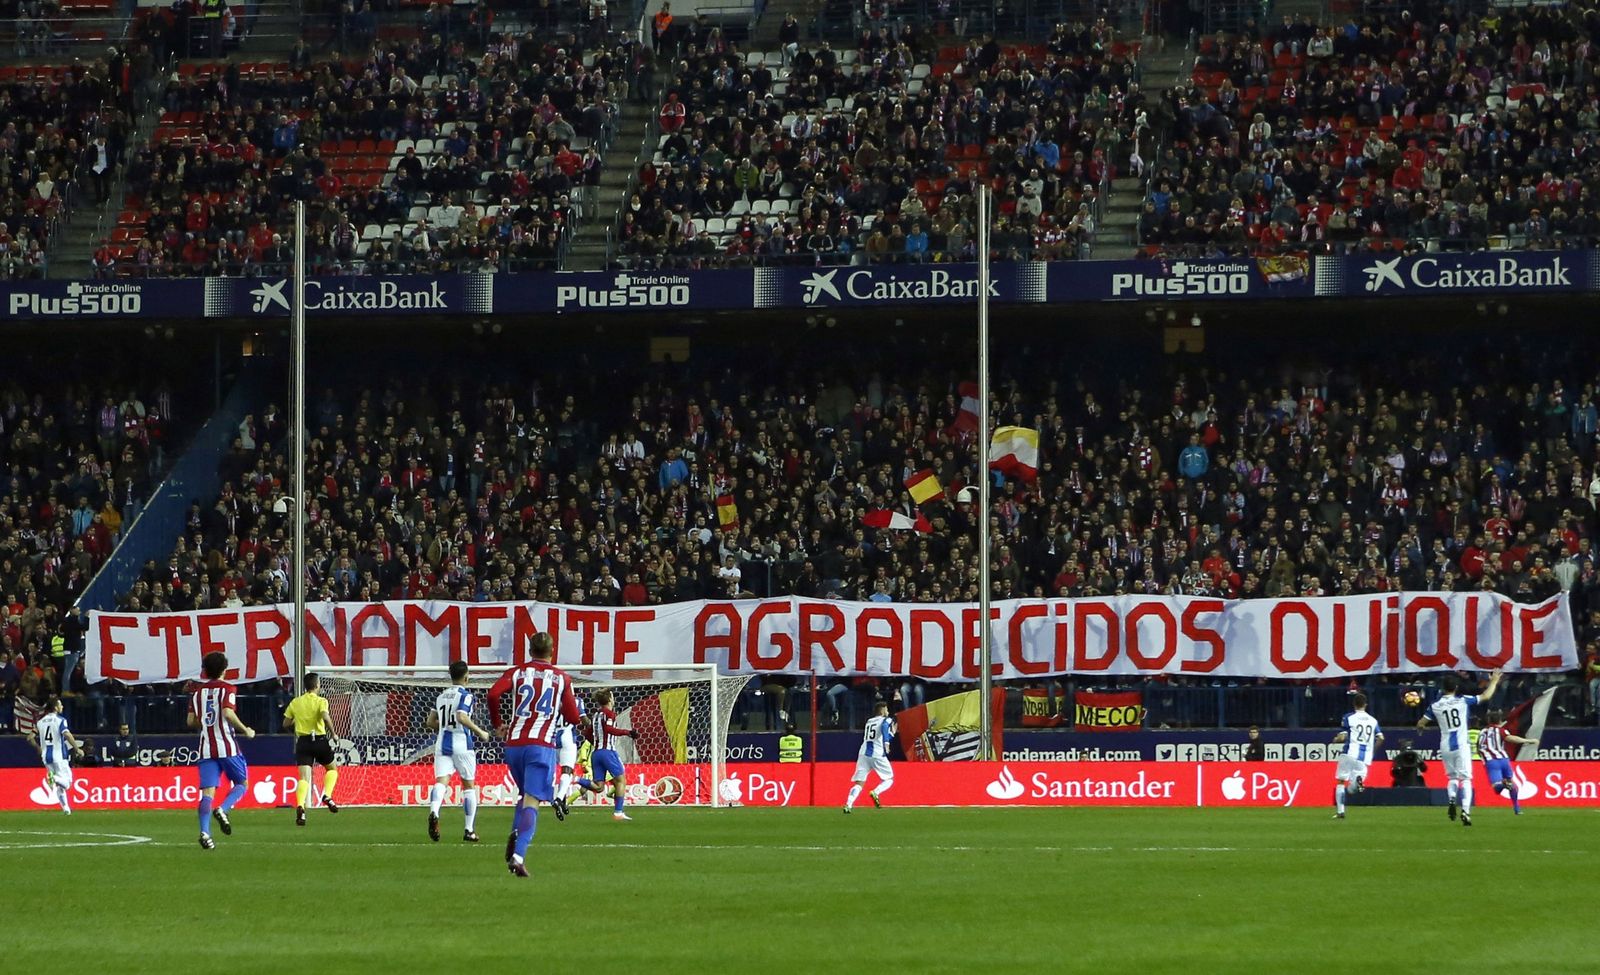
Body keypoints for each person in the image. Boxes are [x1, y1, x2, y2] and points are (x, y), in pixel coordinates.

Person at [487, 632, 582, 877]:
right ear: (553, 651)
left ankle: (515, 832)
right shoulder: (561, 678)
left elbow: (493, 694)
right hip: (541, 746)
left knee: (525, 795)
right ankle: (518, 856)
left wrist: (498, 723)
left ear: (530, 650)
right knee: (533, 801)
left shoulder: (517, 672)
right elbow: (572, 717)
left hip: (514, 745)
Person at [1417, 669, 1502, 826]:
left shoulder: (1435, 705)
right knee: (1467, 779)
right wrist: (1495, 680)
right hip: (1462, 745)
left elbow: (1421, 723)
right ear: (1456, 687)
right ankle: (1466, 811)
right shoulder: (1463, 700)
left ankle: (1451, 799)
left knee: (1452, 777)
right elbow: (1486, 696)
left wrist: (1422, 729)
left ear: (1442, 689)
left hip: (1446, 745)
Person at [189, 651, 255, 850]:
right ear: (224, 669)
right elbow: (227, 712)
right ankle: (223, 809)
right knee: (242, 783)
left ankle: (205, 833)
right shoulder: (228, 688)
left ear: (205, 670)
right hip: (227, 746)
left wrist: (207, 722)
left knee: (207, 793)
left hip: (206, 748)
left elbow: (190, 721)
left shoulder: (197, 693)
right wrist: (246, 730)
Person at [424, 660, 493, 842]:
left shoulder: (441, 696)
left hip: (442, 743)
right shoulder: (467, 696)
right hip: (462, 744)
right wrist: (481, 732)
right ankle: (469, 830)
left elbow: (430, 722)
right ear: (466, 676)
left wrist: (445, 724)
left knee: (441, 781)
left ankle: (434, 811)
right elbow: (461, 716)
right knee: (468, 786)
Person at [282, 673, 341, 827]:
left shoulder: (296, 702)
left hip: (303, 742)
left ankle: (301, 807)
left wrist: (299, 719)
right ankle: (327, 795)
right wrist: (333, 733)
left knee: (304, 778)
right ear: (317, 685)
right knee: (332, 769)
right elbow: (325, 716)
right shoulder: (321, 701)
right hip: (320, 740)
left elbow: (286, 723)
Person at [575, 688, 637, 821]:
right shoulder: (609, 714)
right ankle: (618, 812)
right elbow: (609, 729)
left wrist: (597, 742)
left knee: (599, 787)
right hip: (608, 752)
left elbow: (587, 733)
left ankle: (575, 779)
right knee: (621, 781)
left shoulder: (596, 715)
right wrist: (628, 733)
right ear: (610, 699)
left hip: (596, 753)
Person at [1330, 692, 1383, 819]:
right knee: (1352, 789)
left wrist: (1336, 740)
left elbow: (1343, 736)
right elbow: (1381, 738)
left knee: (1341, 782)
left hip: (1349, 752)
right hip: (1364, 757)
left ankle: (1340, 811)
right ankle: (1357, 781)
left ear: (1354, 704)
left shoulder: (1348, 717)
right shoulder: (1373, 721)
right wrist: (1372, 752)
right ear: (1366, 704)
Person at [1479, 708, 1539, 815]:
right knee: (1512, 785)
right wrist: (1528, 741)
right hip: (1504, 760)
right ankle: (1517, 809)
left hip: (1491, 761)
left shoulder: (1482, 732)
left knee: (1497, 788)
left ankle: (1504, 784)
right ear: (1500, 721)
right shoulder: (1502, 731)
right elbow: (1511, 738)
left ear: (1488, 721)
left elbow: (1478, 748)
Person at [33, 695, 82, 814]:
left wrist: (38, 748)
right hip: (59, 756)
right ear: (55, 707)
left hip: (46, 757)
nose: (62, 706)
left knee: (60, 785)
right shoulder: (60, 720)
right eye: (60, 704)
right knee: (68, 783)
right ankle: (53, 778)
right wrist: (77, 748)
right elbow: (67, 734)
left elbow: (30, 737)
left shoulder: (40, 722)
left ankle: (66, 809)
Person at [844, 700, 895, 813]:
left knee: (859, 783)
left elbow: (878, 734)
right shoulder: (886, 720)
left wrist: (891, 735)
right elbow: (884, 727)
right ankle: (876, 792)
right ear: (882, 711)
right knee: (889, 779)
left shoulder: (869, 721)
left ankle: (848, 804)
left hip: (863, 754)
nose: (888, 711)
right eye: (886, 709)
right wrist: (887, 742)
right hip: (877, 753)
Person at [550, 692, 588, 821]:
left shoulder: (551, 700)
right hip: (568, 736)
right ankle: (559, 798)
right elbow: (584, 720)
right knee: (568, 771)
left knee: (562, 772)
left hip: (553, 737)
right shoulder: (576, 701)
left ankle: (563, 802)